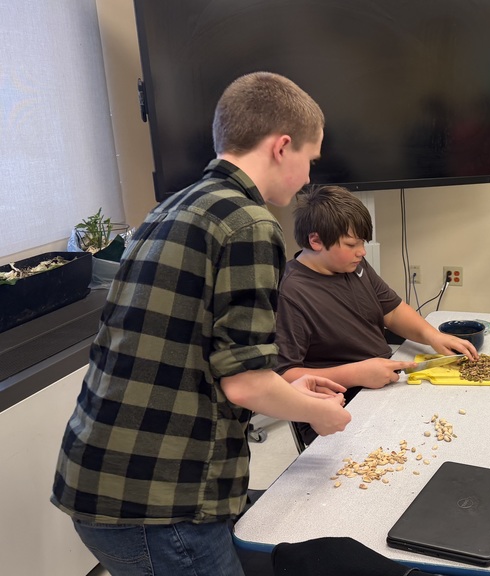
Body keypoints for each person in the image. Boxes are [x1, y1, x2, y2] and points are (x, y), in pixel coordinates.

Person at [51, 72, 352, 575]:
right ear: (282, 147)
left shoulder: (172, 206)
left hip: (99, 472)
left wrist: (292, 384)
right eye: (310, 161)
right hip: (159, 501)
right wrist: (317, 415)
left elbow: (197, 352)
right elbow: (244, 386)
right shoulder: (249, 223)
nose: (307, 179)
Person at [276, 185, 478, 447]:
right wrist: (357, 373)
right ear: (315, 241)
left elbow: (391, 310)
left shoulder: (351, 264)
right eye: (352, 244)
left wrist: (432, 335)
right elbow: (284, 376)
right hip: (338, 407)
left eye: (362, 243)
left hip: (381, 385)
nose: (362, 252)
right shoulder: (290, 292)